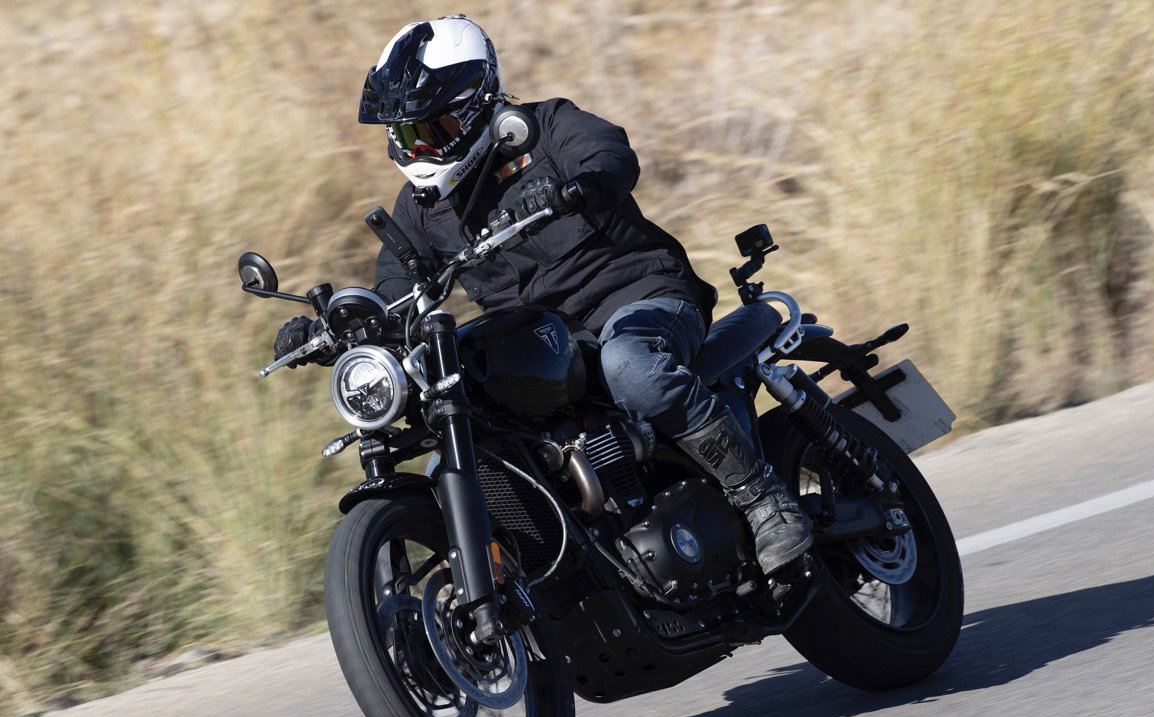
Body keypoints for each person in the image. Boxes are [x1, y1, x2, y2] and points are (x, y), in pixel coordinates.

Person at [277, 16, 811, 573]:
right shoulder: (419, 210)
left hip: (640, 297)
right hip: (545, 339)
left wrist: (578, 185)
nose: (417, 151)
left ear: (476, 103)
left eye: (430, 131)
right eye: (404, 136)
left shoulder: (547, 126)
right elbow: (394, 291)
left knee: (630, 367)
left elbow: (611, 153)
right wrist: (339, 328)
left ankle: (763, 501)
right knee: (479, 425)